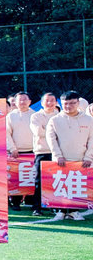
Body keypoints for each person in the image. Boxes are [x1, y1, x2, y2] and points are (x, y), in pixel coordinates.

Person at [46, 90, 93, 221]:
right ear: (61, 104)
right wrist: (57, 155)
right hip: (61, 159)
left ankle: (74, 211)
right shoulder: (54, 120)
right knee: (61, 185)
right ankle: (60, 211)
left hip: (80, 159)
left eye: (72, 103)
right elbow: (51, 139)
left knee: (76, 185)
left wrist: (88, 157)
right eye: (65, 104)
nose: (68, 106)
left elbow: (92, 140)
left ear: (78, 103)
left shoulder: (88, 120)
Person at [28, 92, 61, 216]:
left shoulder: (60, 116)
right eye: (47, 100)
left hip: (57, 152)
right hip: (42, 151)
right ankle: (37, 207)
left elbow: (64, 134)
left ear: (56, 102)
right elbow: (38, 132)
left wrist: (47, 130)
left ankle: (54, 206)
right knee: (39, 180)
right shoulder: (35, 116)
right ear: (42, 103)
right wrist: (54, 133)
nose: (50, 103)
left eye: (52, 100)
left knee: (56, 180)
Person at [5, 91, 35, 211]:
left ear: (30, 101)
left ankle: (32, 202)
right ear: (15, 102)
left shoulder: (35, 115)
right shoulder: (11, 116)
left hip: (33, 152)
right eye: (20, 100)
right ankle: (15, 202)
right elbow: (7, 134)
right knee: (16, 178)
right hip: (16, 153)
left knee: (32, 177)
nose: (22, 102)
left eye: (25, 99)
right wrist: (12, 148)